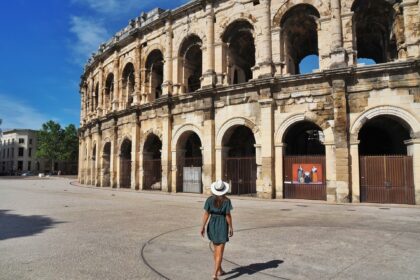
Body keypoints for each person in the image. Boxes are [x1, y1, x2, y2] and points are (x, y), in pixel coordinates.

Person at [200, 180, 234, 280]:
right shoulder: (227, 201)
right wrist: (231, 227)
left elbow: (206, 214)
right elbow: (228, 215)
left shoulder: (209, 199)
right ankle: (215, 274)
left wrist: (203, 226)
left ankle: (219, 270)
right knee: (220, 251)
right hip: (222, 224)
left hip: (212, 224)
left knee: (216, 250)